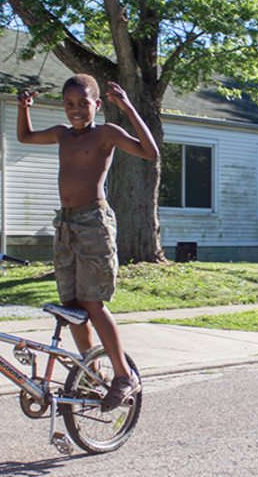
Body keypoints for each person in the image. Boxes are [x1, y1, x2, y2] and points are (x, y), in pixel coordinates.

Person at [17, 74, 160, 411]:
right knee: (72, 307)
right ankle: (93, 373)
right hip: (65, 225)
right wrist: (25, 108)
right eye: (70, 104)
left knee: (93, 303)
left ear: (97, 105)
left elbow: (150, 152)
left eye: (83, 103)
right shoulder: (60, 135)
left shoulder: (106, 133)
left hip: (93, 223)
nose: (76, 110)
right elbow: (24, 136)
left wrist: (126, 107)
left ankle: (123, 375)